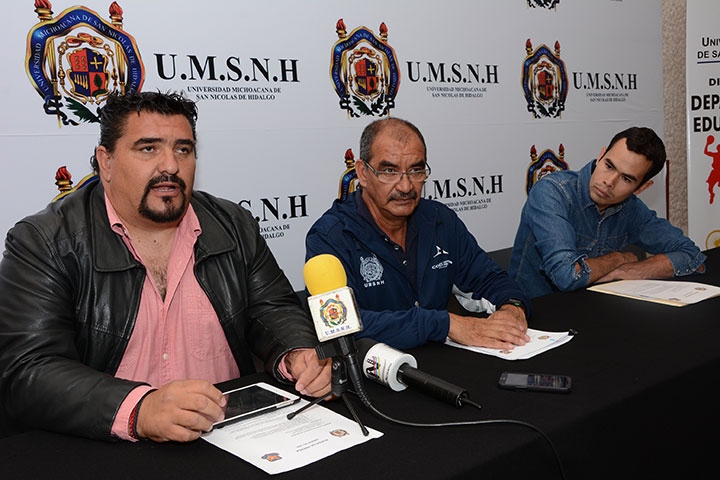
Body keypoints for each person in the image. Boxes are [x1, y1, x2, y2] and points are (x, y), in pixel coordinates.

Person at [0, 91, 330, 442]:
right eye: (148, 148)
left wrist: (297, 352)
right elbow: (28, 370)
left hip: (231, 436)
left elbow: (273, 308)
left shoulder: (234, 224)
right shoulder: (45, 241)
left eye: (183, 150)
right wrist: (139, 408)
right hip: (106, 445)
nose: (170, 165)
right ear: (106, 162)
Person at [305, 118, 531, 351]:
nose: (405, 186)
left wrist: (513, 307)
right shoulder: (330, 236)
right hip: (375, 369)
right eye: (389, 171)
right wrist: (444, 324)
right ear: (363, 173)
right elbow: (340, 325)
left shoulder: (440, 220)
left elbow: (490, 279)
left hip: (442, 364)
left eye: (415, 170)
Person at [509, 126, 706, 299]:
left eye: (626, 179)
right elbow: (567, 276)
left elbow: (692, 257)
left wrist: (633, 270)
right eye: (609, 166)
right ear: (601, 155)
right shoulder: (553, 192)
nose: (609, 182)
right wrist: (619, 259)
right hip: (536, 313)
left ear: (641, 188)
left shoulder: (631, 207)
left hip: (596, 309)